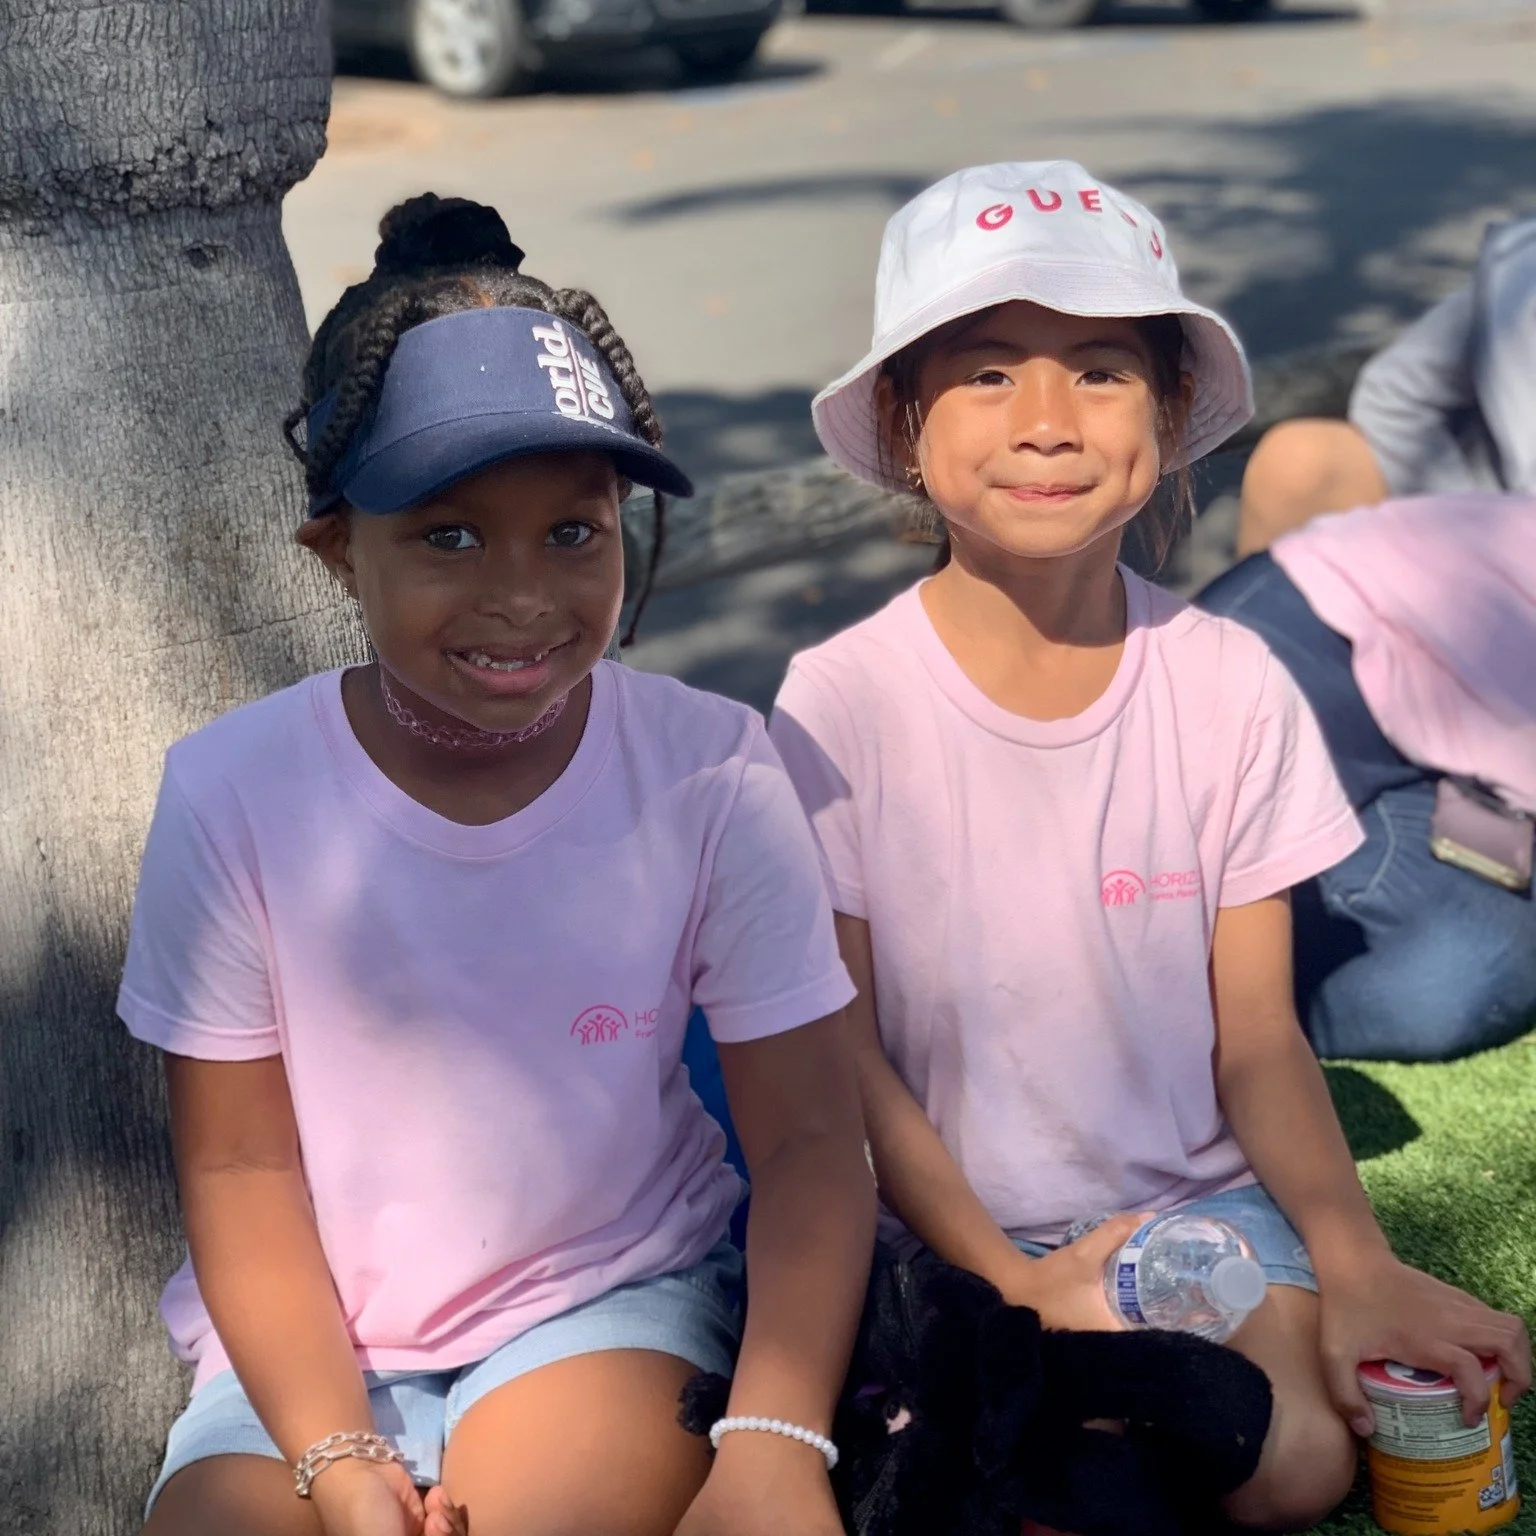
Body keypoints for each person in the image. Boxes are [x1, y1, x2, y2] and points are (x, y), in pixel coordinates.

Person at [768, 162, 1531, 1531]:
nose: (1048, 420)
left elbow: (1260, 1039)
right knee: (1063, 1439)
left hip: (1194, 1215)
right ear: (902, 417)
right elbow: (847, 1058)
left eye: (1103, 370)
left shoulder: (1230, 681)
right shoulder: (840, 701)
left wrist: (1357, 1263)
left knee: (1297, 1464)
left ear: (1171, 413)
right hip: (943, 1231)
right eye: (987, 373)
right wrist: (1011, 1278)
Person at [123, 194, 874, 1536]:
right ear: (337, 549)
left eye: (573, 532)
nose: (523, 595)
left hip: (603, 1301)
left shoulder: (713, 766)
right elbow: (239, 1174)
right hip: (298, 1357)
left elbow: (813, 1139)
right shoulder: (230, 790)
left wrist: (775, 1438)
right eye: (450, 536)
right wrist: (338, 1457)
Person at [1197, 492, 1536, 1062]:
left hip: (1451, 768)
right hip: (1330, 629)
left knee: (1466, 976)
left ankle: (1227, 1012)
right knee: (1181, 851)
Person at [1237, 216, 1536, 555]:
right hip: (1487, 539)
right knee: (1299, 460)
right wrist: (1471, 534)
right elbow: (1394, 394)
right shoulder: (1519, 272)